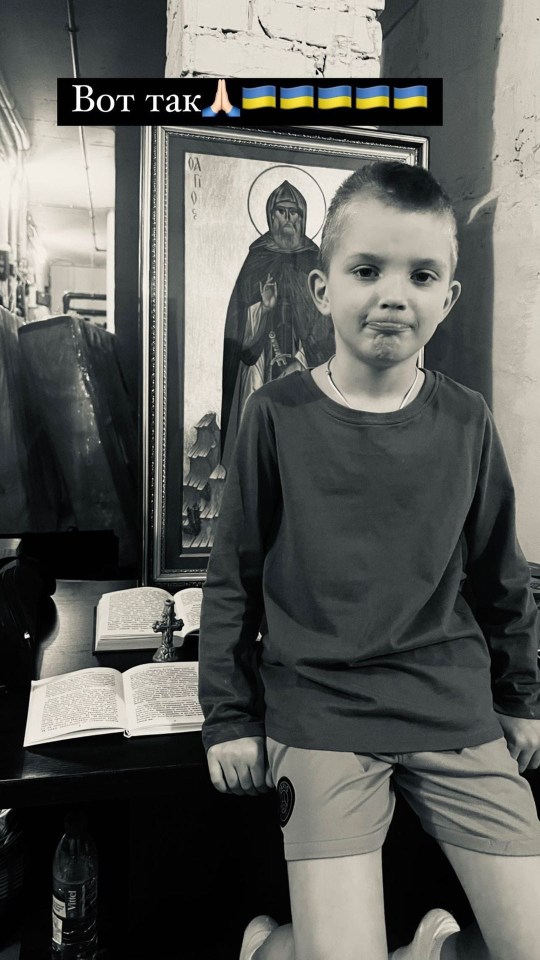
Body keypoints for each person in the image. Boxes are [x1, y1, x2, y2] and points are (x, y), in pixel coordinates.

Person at [199, 160, 540, 960]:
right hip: (320, 710)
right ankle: (271, 947)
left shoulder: (466, 420)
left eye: (421, 274)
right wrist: (227, 718)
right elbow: (232, 578)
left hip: (447, 702)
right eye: (366, 270)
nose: (394, 294)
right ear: (321, 289)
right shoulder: (276, 416)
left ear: (447, 298)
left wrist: (521, 698)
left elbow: (501, 574)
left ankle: (424, 950)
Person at [220, 178, 334, 469]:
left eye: (293, 212)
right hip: (261, 362)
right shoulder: (257, 259)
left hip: (304, 364)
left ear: (303, 217)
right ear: (270, 216)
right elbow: (239, 333)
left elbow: (325, 323)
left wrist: (302, 358)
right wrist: (262, 307)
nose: (287, 219)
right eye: (281, 211)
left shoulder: (315, 261)